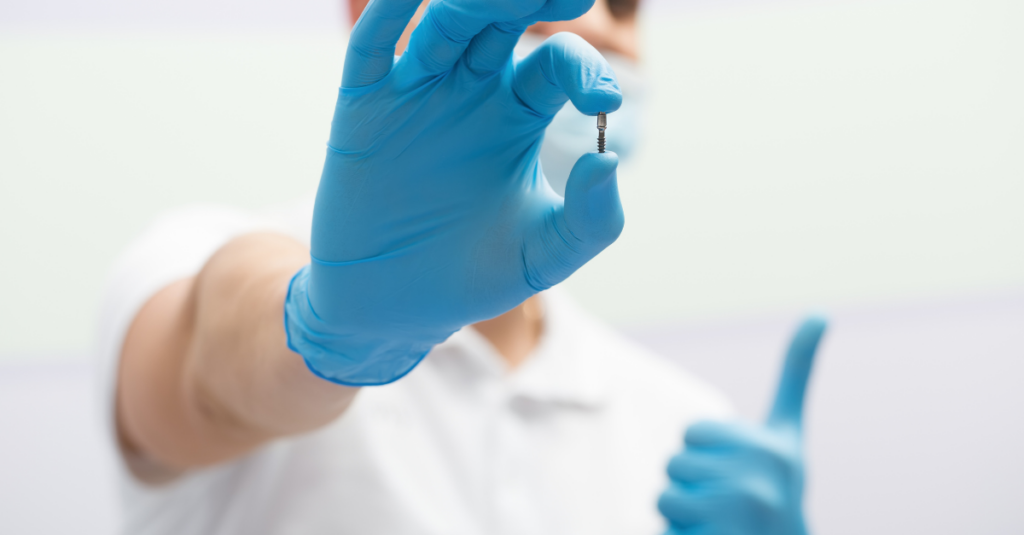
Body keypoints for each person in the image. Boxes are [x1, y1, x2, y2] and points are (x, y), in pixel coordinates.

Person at [96, 0, 826, 533]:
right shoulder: (187, 256)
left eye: (628, 5)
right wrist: (327, 332)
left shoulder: (682, 435)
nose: (602, 23)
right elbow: (217, 354)